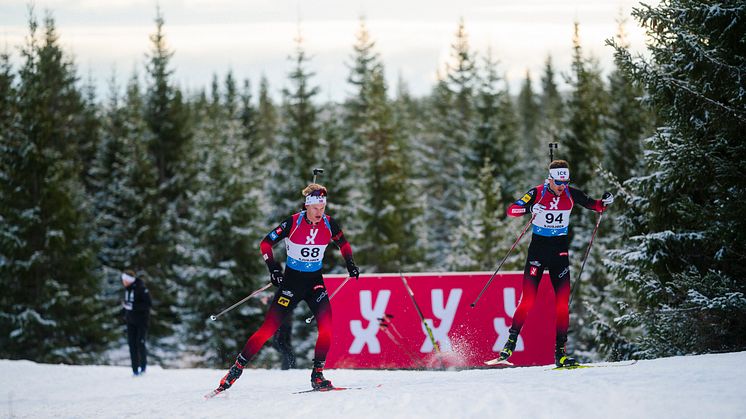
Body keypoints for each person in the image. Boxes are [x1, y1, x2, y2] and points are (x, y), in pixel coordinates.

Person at [212, 183, 360, 393]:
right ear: (307, 206)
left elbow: (343, 244)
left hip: (315, 283)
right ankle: (236, 370)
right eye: (316, 208)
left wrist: (350, 264)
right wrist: (273, 269)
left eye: (323, 207)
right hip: (291, 283)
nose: (320, 212)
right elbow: (265, 244)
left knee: (327, 328)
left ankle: (317, 376)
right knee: (268, 330)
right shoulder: (293, 222)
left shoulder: (329, 224)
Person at [497, 160, 613, 367]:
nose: (562, 186)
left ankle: (560, 353)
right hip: (538, 251)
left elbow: (594, 205)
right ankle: (510, 342)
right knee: (529, 299)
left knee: (562, 303)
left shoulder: (570, 193)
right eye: (558, 181)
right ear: (550, 179)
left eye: (565, 181)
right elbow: (511, 210)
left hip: (559, 252)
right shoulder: (537, 192)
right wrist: (530, 209)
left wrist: (604, 202)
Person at [122, 269, 151, 376]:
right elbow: (127, 304)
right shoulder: (127, 289)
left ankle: (143, 368)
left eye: (125, 280)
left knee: (140, 343)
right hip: (130, 321)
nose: (123, 282)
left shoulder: (141, 288)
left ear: (130, 280)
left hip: (142, 321)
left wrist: (133, 307)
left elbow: (148, 304)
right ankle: (134, 369)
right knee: (131, 344)